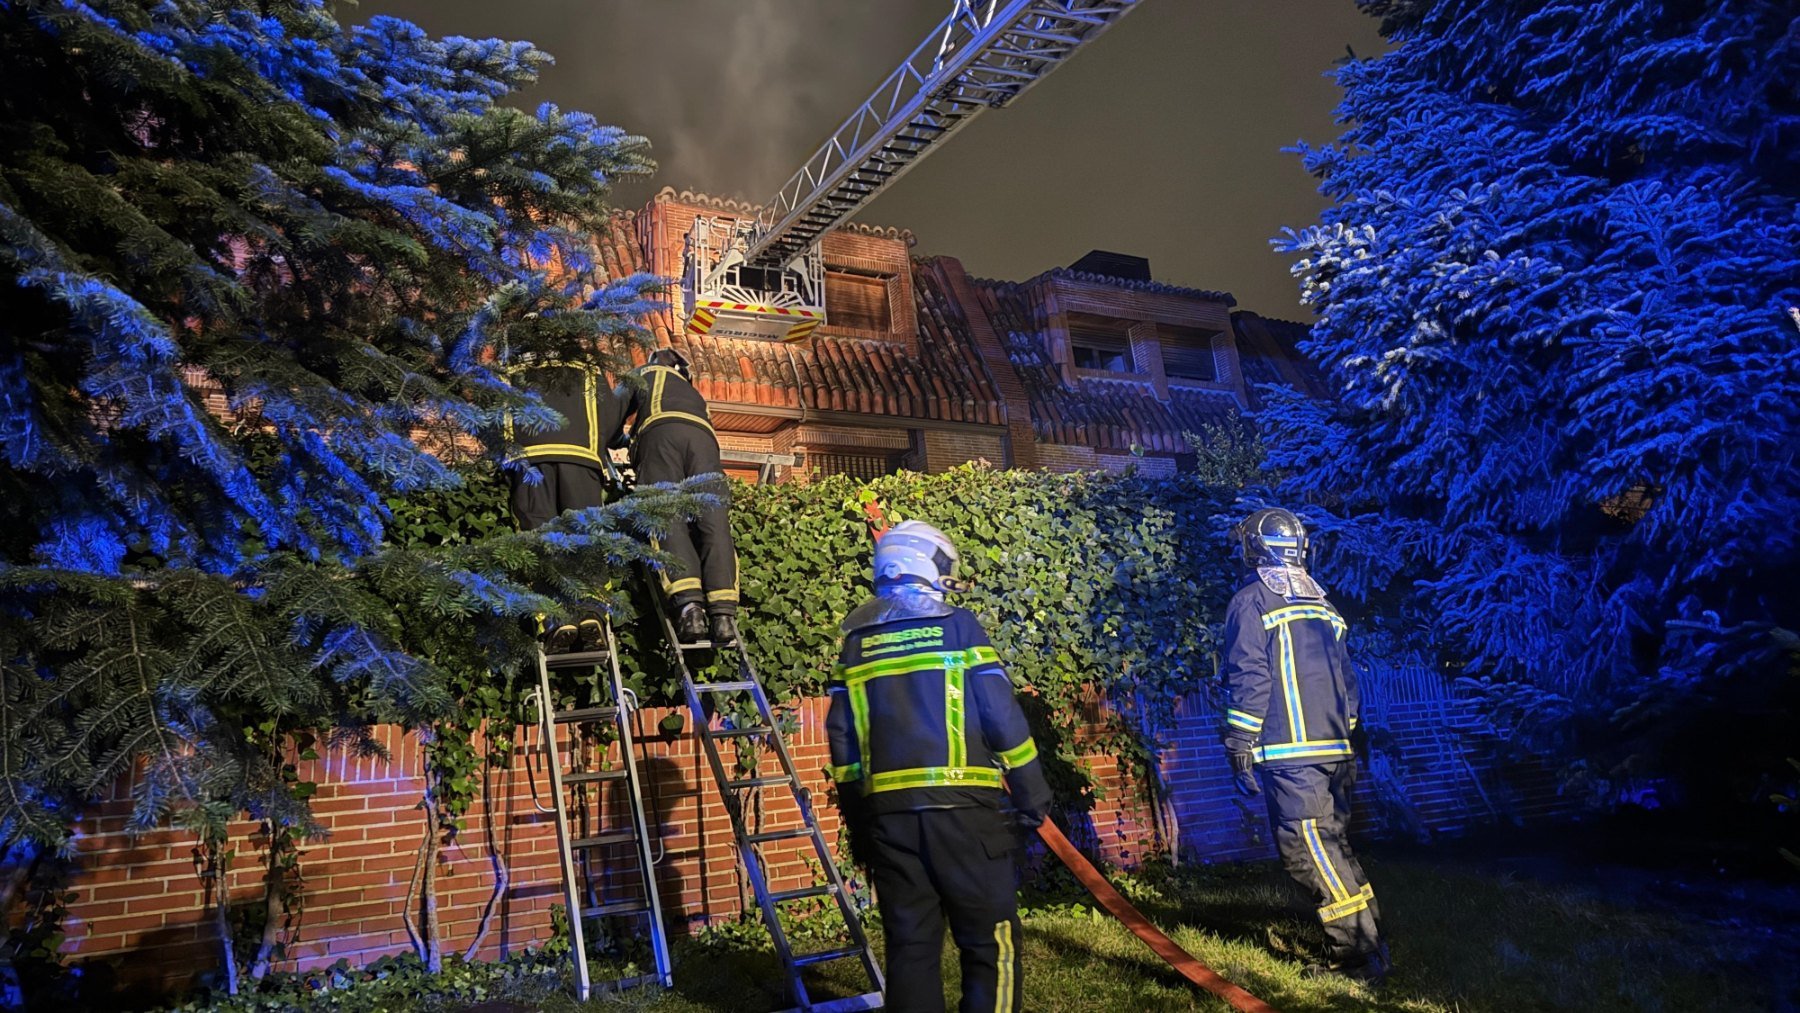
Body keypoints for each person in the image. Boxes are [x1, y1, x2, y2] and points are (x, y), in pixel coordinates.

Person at [826, 520, 1053, 1013]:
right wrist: (1032, 788)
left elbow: (841, 737)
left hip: (889, 817)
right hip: (966, 814)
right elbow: (999, 714)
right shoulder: (958, 627)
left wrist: (859, 817)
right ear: (925, 563)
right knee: (991, 945)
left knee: (911, 947)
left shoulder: (855, 641)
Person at [1219, 507, 1388, 984]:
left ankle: (1357, 957)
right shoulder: (1325, 607)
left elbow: (1250, 675)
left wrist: (1240, 738)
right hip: (1335, 751)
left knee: (1308, 852)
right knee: (1333, 846)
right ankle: (1372, 940)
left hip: (1292, 758)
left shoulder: (1251, 602)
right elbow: (1349, 684)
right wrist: (1343, 730)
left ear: (1255, 547)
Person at [614, 347, 739, 645]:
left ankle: (690, 609)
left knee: (666, 516)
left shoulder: (644, 374)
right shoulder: (695, 395)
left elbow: (611, 413)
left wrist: (619, 439)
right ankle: (723, 617)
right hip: (705, 445)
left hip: (660, 438)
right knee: (714, 523)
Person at [506, 358, 625, 651]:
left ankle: (553, 620)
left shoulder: (510, 370)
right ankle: (591, 613)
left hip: (530, 462)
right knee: (585, 534)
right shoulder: (587, 368)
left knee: (539, 535)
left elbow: (494, 418)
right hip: (581, 459)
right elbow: (608, 415)